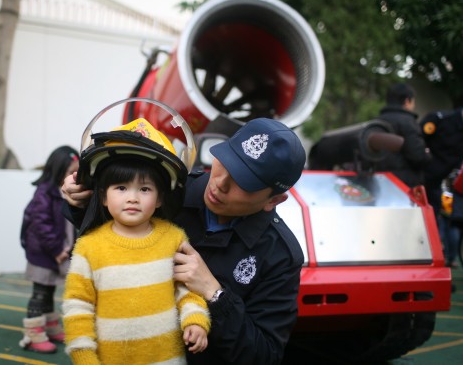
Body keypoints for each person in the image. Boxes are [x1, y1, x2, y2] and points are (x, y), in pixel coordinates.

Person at [62, 117, 306, 364]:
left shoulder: (280, 256)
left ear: (272, 201)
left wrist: (216, 295)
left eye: (244, 182)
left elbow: (264, 355)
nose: (220, 184)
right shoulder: (170, 189)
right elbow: (109, 231)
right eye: (226, 163)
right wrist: (81, 201)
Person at [62, 118, 210, 364]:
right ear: (103, 197)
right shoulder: (88, 247)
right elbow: (78, 306)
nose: (132, 198)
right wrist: (83, 354)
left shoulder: (173, 238)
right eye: (121, 188)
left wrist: (196, 320)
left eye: (145, 189)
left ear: (160, 198)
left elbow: (186, 289)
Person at [19, 145, 79, 353]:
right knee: (40, 293)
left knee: (50, 290)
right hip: (44, 254)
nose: (74, 175)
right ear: (57, 169)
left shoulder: (66, 191)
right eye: (70, 170)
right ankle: (34, 333)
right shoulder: (45, 191)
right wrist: (56, 250)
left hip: (58, 253)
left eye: (77, 171)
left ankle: (51, 327)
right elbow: (41, 225)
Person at [421, 101, 463, 267]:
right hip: (425, 181)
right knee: (429, 218)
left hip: (446, 184)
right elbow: (419, 139)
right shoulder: (441, 119)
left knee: (450, 218)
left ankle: (450, 257)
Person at [375, 83, 431, 188]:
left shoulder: (377, 122)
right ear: (407, 101)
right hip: (404, 185)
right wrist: (427, 155)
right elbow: (417, 156)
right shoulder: (408, 123)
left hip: (380, 183)